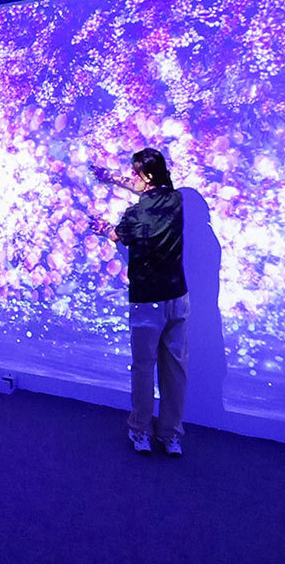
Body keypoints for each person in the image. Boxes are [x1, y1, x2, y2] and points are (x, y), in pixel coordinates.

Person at [90, 148, 189, 456]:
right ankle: (170, 435)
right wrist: (111, 178)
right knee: (175, 370)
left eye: (134, 173)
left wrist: (100, 226)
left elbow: (116, 236)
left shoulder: (135, 215)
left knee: (144, 368)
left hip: (147, 299)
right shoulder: (176, 201)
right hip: (177, 297)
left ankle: (140, 429)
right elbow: (149, 189)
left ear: (145, 176)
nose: (130, 178)